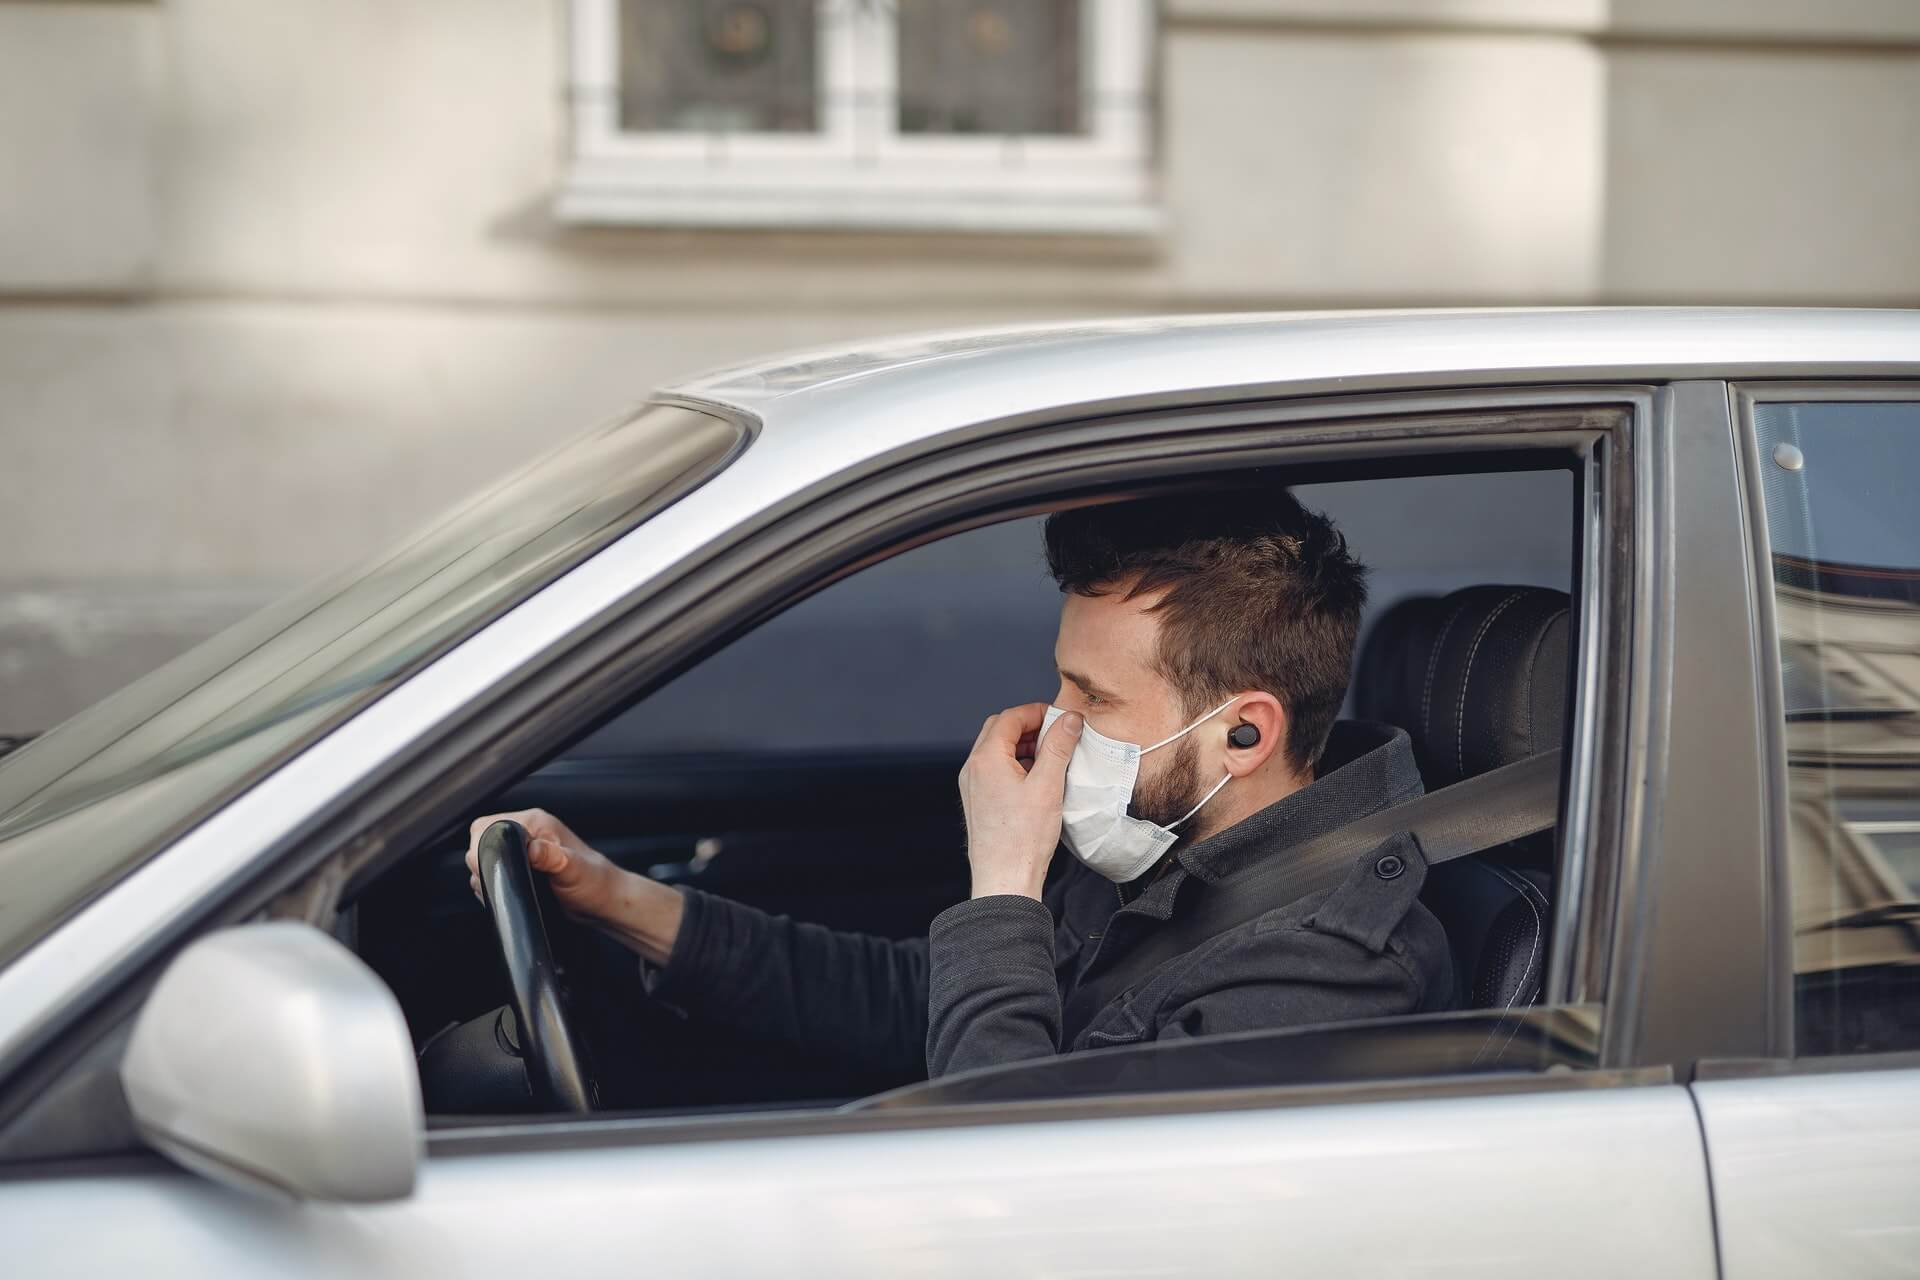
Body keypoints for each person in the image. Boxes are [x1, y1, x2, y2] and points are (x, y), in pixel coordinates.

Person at [466, 491, 1453, 1081]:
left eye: (1092, 696)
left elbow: (1016, 1196)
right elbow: (921, 1002)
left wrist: (1005, 887)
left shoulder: (1330, 971)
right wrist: (619, 898)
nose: (1054, 723)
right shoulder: (1168, 843)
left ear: (1244, 730)